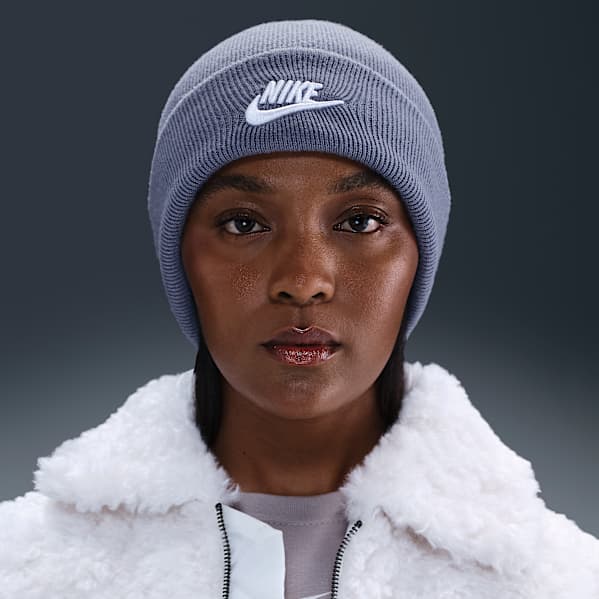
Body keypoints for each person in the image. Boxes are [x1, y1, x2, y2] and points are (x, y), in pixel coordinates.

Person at [1, 18, 597, 599]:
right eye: (243, 223)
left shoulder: (563, 583)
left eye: (359, 222)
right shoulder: (24, 570)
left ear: (421, 253)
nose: (303, 281)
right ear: (178, 254)